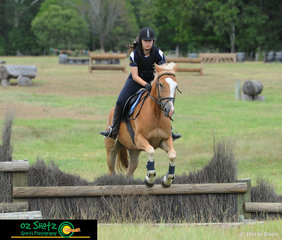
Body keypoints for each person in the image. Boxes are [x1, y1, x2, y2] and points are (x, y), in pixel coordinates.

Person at [100, 27, 181, 141]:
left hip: (153, 82)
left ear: (153, 41)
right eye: (145, 41)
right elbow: (134, 76)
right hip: (135, 81)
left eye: (150, 41)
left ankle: (170, 130)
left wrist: (153, 84)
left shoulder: (159, 53)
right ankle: (114, 129)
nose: (148, 43)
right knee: (120, 101)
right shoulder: (135, 54)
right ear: (141, 41)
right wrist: (145, 84)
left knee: (165, 101)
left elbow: (163, 72)